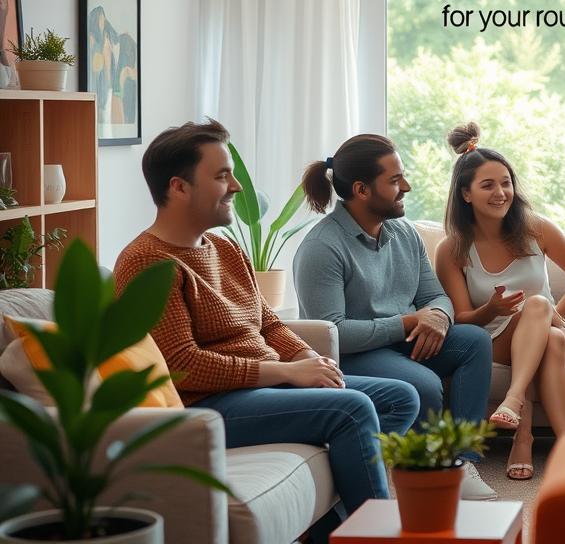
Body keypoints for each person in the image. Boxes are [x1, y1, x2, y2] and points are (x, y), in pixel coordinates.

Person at [113, 120, 419, 540]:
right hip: (206, 404)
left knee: (399, 397)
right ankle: (376, 535)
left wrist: (309, 360)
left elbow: (268, 322)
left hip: (261, 388)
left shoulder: (224, 248)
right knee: (351, 409)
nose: (237, 186)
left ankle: (333, 527)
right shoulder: (147, 262)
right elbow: (182, 365)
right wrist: (289, 374)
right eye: (222, 175)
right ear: (179, 187)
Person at [293, 133, 497, 500]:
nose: (407, 186)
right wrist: (406, 323)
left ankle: (463, 461)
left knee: (475, 342)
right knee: (422, 384)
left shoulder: (405, 233)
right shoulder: (321, 249)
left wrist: (436, 316)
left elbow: (435, 296)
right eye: (394, 180)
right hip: (356, 353)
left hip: (402, 340)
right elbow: (332, 333)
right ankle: (422, 473)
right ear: (361, 190)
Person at [434, 122, 565, 482]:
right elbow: (461, 319)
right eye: (488, 185)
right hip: (494, 342)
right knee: (546, 339)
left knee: (540, 312)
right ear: (466, 194)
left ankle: (515, 402)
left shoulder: (536, 228)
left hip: (553, 327)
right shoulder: (453, 248)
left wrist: (556, 313)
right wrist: (491, 309)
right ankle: (559, 440)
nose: (501, 192)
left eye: (506, 183)